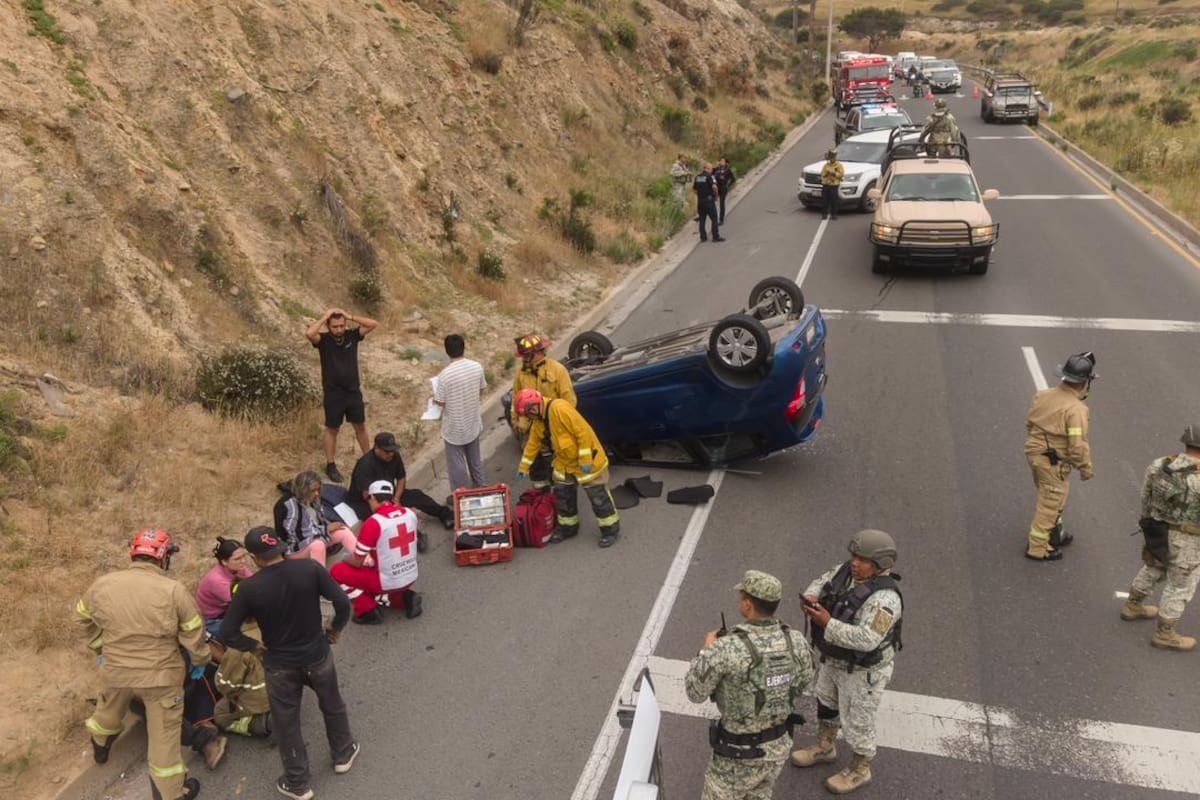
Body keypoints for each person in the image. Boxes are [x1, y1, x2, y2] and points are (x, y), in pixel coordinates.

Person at [219, 527, 358, 800]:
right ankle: (343, 753)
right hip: (317, 654)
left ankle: (298, 783)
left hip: (279, 664)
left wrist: (255, 647)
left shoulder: (248, 589)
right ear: (281, 547)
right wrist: (334, 628)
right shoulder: (309, 569)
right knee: (332, 704)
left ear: (256, 558)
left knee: (287, 722)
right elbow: (342, 603)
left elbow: (228, 633)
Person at [76, 528, 210, 800]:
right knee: (164, 739)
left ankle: (100, 744)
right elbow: (193, 633)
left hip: (116, 669)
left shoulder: (102, 584)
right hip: (160, 678)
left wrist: (100, 648)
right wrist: (199, 660)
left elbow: (82, 619)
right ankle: (171, 793)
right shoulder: (173, 590)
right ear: (163, 557)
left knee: (110, 709)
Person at [685, 570, 814, 800]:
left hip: (736, 756)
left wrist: (705, 651)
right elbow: (804, 681)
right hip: (776, 747)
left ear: (747, 603)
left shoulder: (726, 648)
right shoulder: (796, 640)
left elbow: (694, 692)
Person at [792, 529, 903, 795]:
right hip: (835, 659)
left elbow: (867, 639)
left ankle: (860, 770)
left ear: (880, 565)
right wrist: (811, 598)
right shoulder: (846, 572)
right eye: (854, 556)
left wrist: (826, 623)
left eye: (862, 559)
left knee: (858, 721)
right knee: (826, 701)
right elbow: (821, 582)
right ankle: (825, 745)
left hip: (863, 671)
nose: (855, 562)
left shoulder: (886, 600)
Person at [1120, 425, 1200, 651]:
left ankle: (1132, 605)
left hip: (1158, 530)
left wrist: (1148, 523)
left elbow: (1145, 496)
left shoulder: (1161, 464)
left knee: (1153, 566)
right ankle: (1165, 634)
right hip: (1189, 540)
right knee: (1180, 586)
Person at [513, 388, 620, 547]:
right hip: (565, 462)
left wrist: (585, 458)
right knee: (562, 494)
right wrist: (523, 467)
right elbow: (533, 444)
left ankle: (610, 529)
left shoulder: (560, 408)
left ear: (534, 406)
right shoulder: (539, 420)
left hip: (588, 460)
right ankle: (568, 527)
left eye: (529, 414)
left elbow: (583, 432)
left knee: (598, 497)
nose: (528, 418)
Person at [1023, 351, 1096, 561]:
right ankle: (1037, 548)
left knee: (1054, 496)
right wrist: (1085, 467)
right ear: (1085, 382)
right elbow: (1077, 445)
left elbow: (1030, 423)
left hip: (1035, 453)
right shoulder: (1076, 409)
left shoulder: (1042, 395)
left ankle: (1056, 534)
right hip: (1052, 461)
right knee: (1051, 500)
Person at [330, 480, 424, 625]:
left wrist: (344, 558)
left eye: (369, 498)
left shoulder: (373, 522)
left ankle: (367, 610)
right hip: (410, 574)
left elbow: (357, 561)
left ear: (373, 497)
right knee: (371, 576)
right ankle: (405, 598)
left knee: (337, 571)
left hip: (386, 580)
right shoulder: (409, 513)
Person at [306, 307, 379, 483]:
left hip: (353, 392)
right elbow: (309, 333)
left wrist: (351, 316)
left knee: (360, 426)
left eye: (341, 325)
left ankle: (369, 460)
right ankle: (330, 465)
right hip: (333, 394)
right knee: (332, 429)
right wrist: (325, 317)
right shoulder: (323, 340)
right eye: (335, 326)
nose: (339, 329)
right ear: (329, 326)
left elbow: (373, 324)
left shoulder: (352, 336)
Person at [348, 431, 455, 530]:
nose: (391, 454)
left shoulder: (394, 456)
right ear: (377, 448)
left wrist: (396, 499)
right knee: (385, 522)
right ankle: (414, 537)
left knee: (416, 495)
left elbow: (401, 478)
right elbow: (366, 495)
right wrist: (388, 507)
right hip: (367, 502)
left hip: (388, 493)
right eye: (387, 451)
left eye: (392, 450)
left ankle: (445, 515)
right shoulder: (365, 465)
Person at [511, 332, 577, 489]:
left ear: (537, 353)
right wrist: (516, 421)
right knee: (537, 469)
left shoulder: (557, 370)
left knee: (559, 468)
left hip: (554, 427)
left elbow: (569, 401)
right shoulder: (521, 374)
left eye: (525, 356)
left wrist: (562, 425)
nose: (523, 360)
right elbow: (516, 399)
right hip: (531, 429)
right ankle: (542, 501)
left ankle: (562, 495)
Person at [433, 333, 487, 492]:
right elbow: (481, 389)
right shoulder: (477, 367)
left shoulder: (444, 375)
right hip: (473, 422)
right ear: (464, 347)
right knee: (475, 460)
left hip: (454, 429)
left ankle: (461, 495)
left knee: (457, 467)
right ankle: (481, 487)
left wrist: (434, 399)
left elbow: (441, 402)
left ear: (446, 351)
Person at [274, 470, 359, 566]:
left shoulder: (313, 500)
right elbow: (298, 536)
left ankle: (364, 560)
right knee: (318, 545)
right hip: (295, 549)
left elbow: (318, 520)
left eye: (318, 489)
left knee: (343, 531)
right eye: (313, 490)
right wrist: (326, 529)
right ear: (303, 490)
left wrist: (329, 526)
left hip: (317, 535)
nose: (317, 493)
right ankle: (320, 577)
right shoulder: (290, 506)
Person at [196, 537, 254, 638]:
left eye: (244, 556)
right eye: (237, 559)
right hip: (213, 620)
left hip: (226, 610)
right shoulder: (217, 581)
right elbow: (246, 603)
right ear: (224, 562)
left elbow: (254, 583)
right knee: (240, 635)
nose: (243, 561)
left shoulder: (238, 568)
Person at [693, 162, 725, 243]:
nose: (712, 170)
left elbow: (694, 189)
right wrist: (716, 196)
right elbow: (714, 186)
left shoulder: (697, 177)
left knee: (702, 219)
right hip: (708, 200)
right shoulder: (709, 176)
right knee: (714, 218)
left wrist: (700, 195)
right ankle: (715, 236)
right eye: (711, 169)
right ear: (707, 168)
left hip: (700, 201)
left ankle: (703, 237)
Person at [820, 149, 844, 220]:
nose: (832, 159)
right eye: (831, 157)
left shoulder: (839, 165)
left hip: (834, 185)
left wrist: (834, 173)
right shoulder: (826, 165)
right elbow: (822, 173)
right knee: (825, 201)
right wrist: (827, 173)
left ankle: (834, 214)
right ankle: (824, 214)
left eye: (833, 157)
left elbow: (841, 174)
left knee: (834, 201)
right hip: (826, 185)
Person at [713, 157, 737, 225]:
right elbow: (711, 174)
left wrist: (728, 185)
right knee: (714, 203)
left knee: (721, 203)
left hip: (723, 187)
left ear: (726, 162)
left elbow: (733, 179)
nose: (721, 162)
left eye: (723, 161)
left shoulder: (728, 170)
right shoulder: (717, 169)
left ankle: (721, 219)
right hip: (717, 187)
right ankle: (714, 218)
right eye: (720, 161)